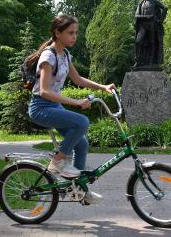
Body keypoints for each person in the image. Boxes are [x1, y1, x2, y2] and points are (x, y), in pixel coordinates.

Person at [26, 14, 116, 204]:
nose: (74, 37)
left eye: (76, 33)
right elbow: (44, 91)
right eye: (70, 33)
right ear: (57, 33)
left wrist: (103, 87)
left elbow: (78, 80)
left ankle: (78, 189)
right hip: (40, 108)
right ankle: (58, 161)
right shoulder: (48, 57)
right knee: (82, 121)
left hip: (53, 107)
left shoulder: (65, 54)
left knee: (81, 143)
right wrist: (76, 103)